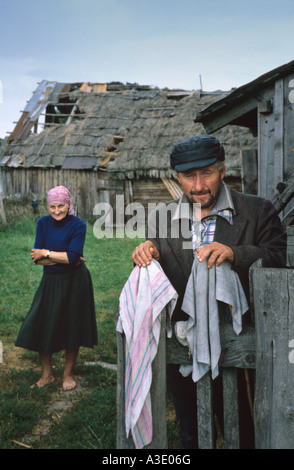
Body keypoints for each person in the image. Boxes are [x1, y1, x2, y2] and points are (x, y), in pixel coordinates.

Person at [132, 135, 287, 448]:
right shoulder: (163, 216)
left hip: (238, 340)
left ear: (223, 170)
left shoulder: (258, 210)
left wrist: (235, 253)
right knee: (190, 424)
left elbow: (277, 258)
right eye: (189, 176)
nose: (198, 185)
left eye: (207, 173)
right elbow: (158, 264)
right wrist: (147, 252)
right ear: (178, 178)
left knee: (243, 424)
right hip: (182, 340)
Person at [15, 186, 98, 391]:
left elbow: (71, 257)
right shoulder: (43, 223)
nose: (57, 211)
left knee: (72, 324)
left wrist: (48, 253)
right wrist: (66, 259)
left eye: (61, 205)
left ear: (68, 204)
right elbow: (37, 258)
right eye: (52, 206)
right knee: (43, 322)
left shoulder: (78, 225)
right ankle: (47, 375)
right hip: (51, 281)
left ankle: (67, 375)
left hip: (75, 281)